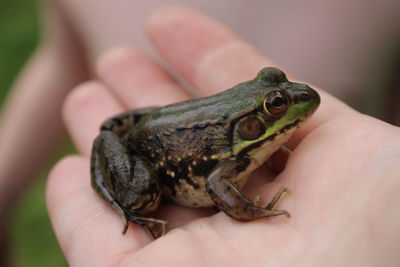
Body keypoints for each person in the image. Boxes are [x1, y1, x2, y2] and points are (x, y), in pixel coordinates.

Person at [0, 1, 399, 265]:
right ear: (253, 121)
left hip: (159, 124)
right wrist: (254, 211)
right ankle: (124, 203)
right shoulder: (230, 161)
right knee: (144, 196)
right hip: (151, 157)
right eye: (276, 104)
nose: (293, 101)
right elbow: (217, 184)